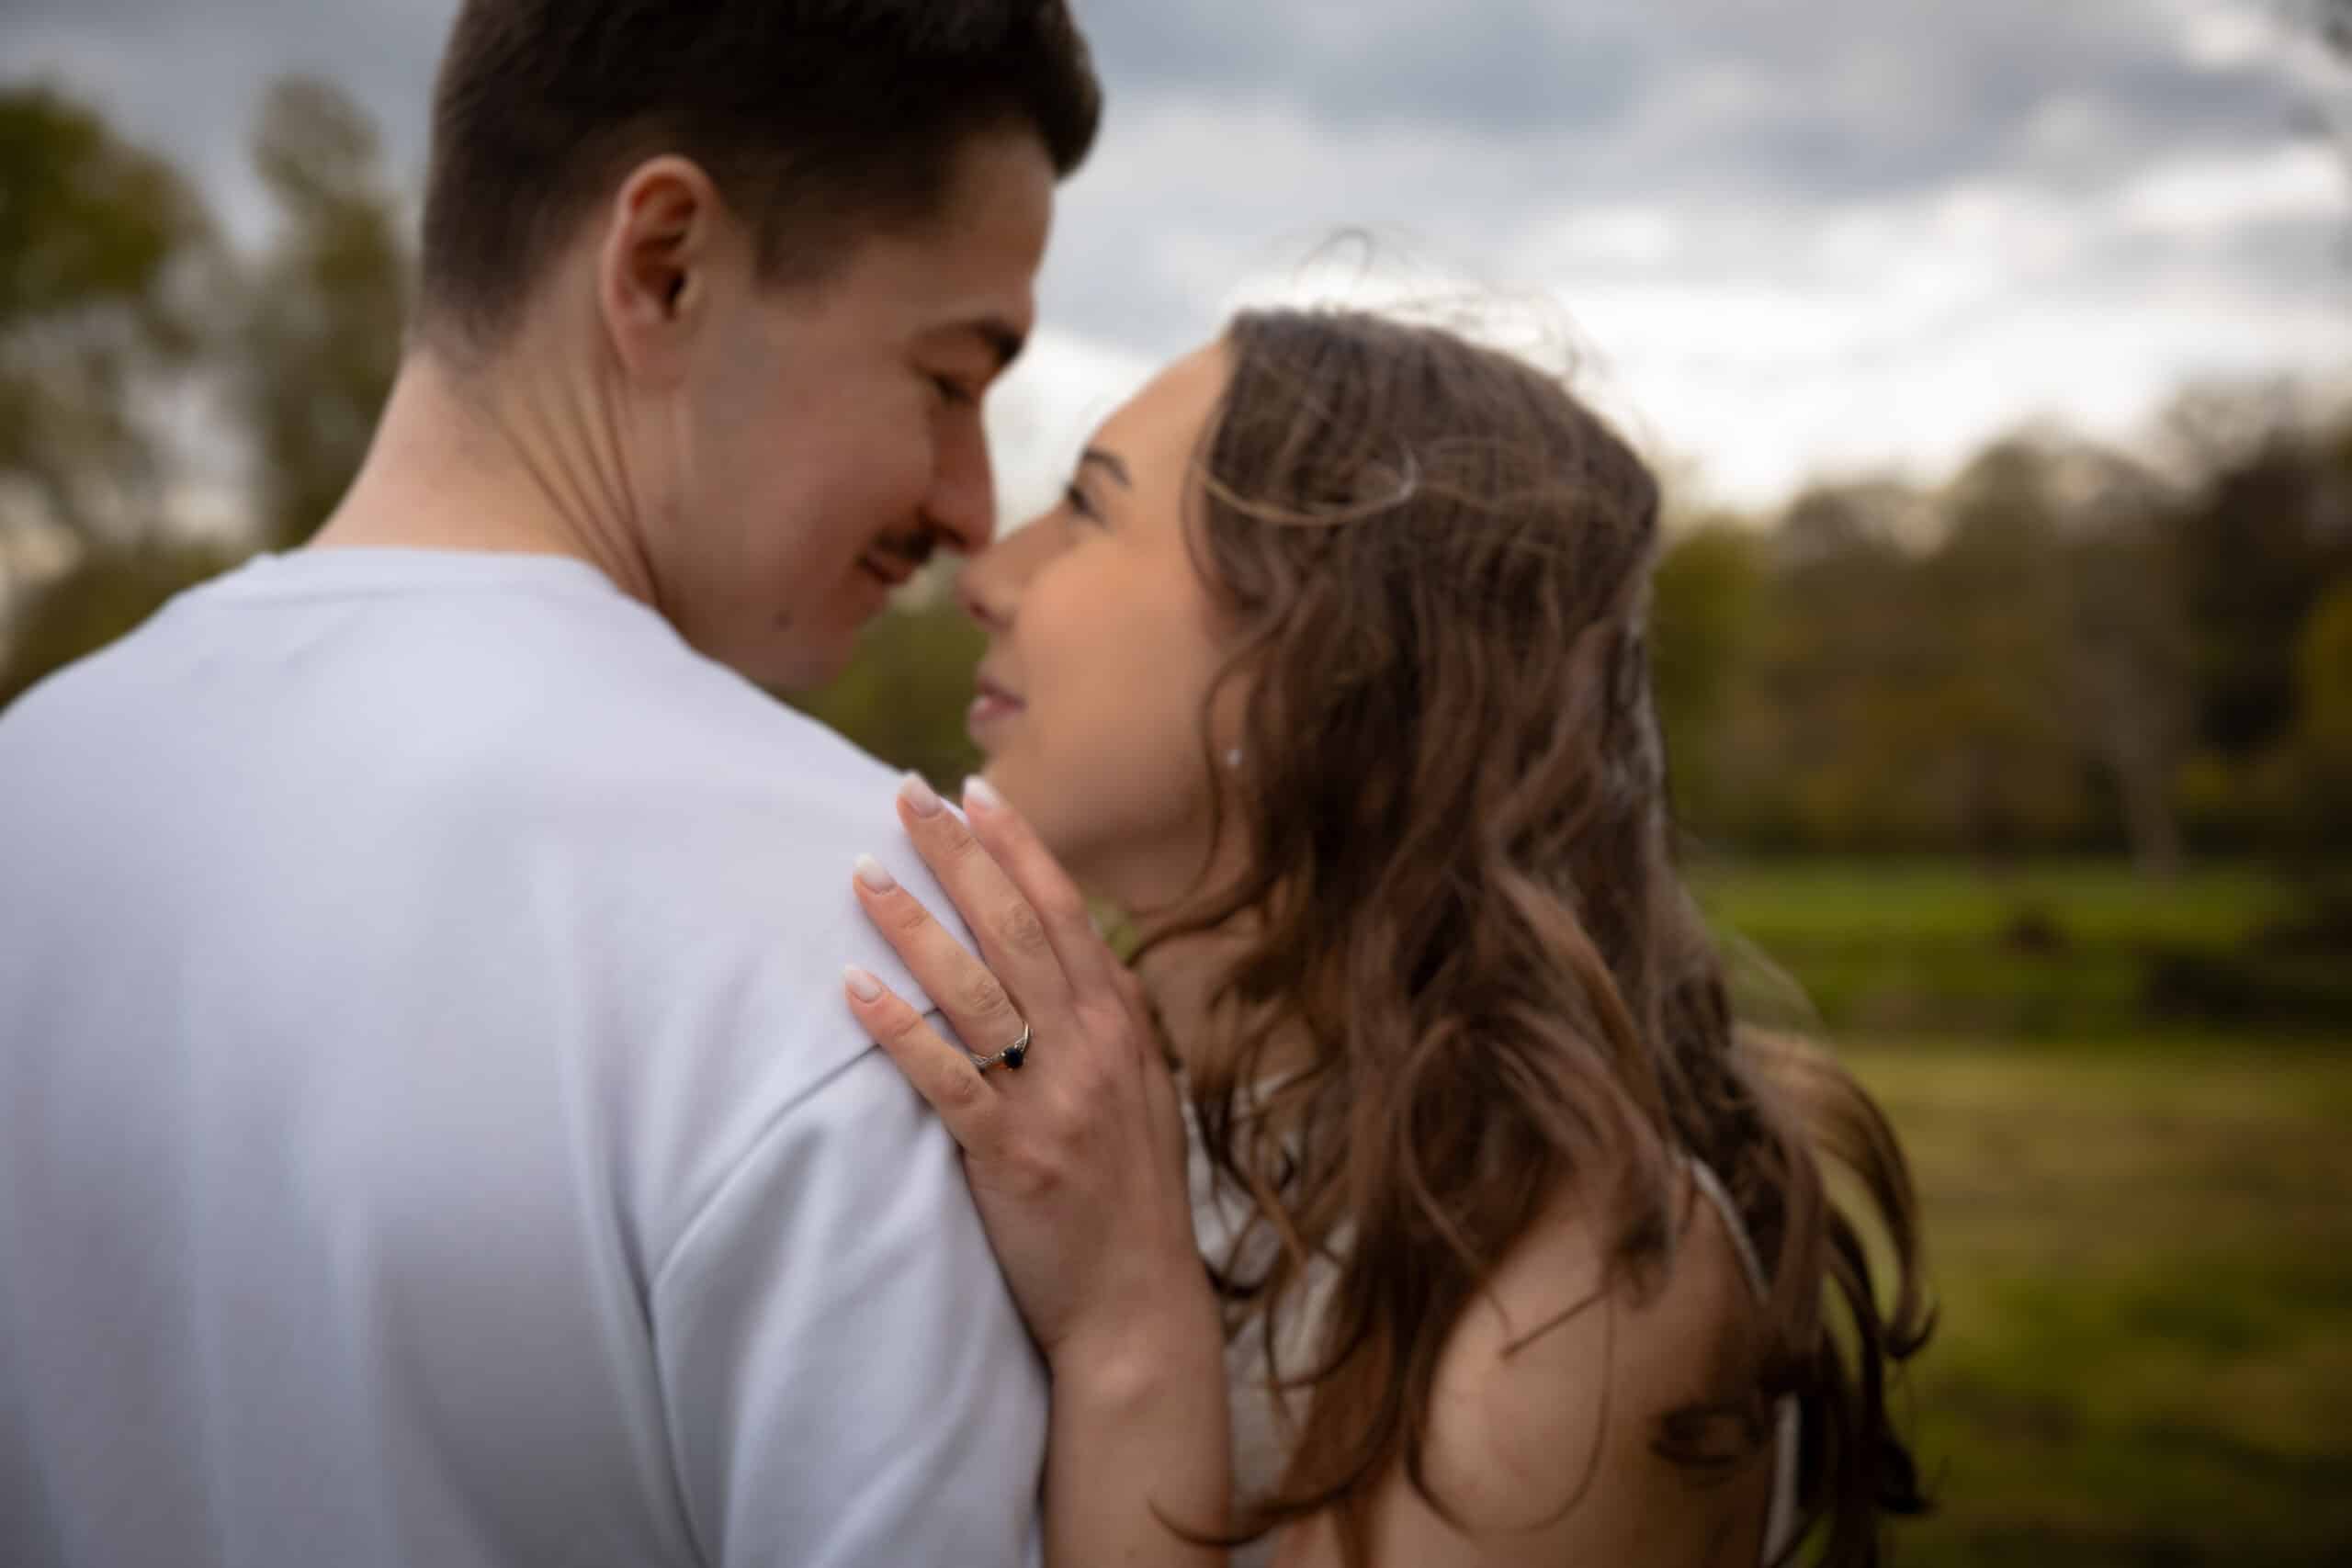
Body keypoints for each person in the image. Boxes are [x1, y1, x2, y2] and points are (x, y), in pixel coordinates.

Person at [0, 4, 1103, 1565]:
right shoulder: (885, 956)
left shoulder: (32, 786)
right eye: (948, 377)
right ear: (663, 263)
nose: (972, 503)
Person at [842, 310, 1936, 1566]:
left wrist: (1129, 1334)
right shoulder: (1085, 1107)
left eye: (1087, 510)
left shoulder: (1583, 1304)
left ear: (1325, 649)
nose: (982, 573)